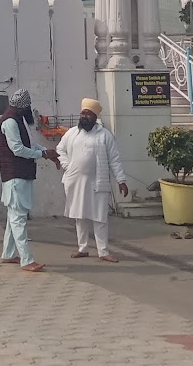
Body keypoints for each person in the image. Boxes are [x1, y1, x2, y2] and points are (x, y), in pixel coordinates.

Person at [56, 98, 128, 262]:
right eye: (83, 113)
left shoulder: (104, 135)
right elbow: (60, 150)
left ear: (95, 117)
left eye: (88, 114)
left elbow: (114, 159)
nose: (84, 116)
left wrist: (121, 180)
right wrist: (67, 165)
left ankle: (103, 251)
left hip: (98, 182)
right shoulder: (72, 133)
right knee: (79, 216)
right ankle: (82, 248)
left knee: (100, 217)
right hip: (76, 182)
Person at [0, 88, 59, 273]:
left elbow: (29, 145)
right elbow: (17, 149)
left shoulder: (18, 119)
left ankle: (8, 254)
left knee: (13, 218)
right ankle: (27, 260)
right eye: (28, 107)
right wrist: (42, 154)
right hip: (15, 176)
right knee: (18, 219)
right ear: (22, 107)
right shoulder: (10, 122)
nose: (30, 110)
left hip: (20, 175)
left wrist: (47, 154)